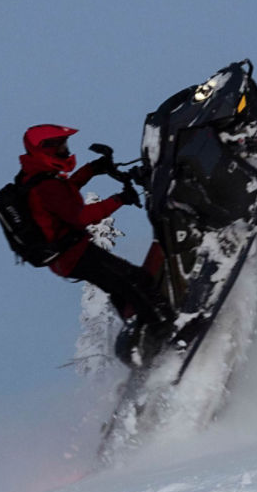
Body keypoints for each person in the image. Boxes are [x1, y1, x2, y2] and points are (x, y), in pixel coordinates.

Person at [18, 124, 174, 335]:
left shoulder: (38, 177)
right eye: (62, 147)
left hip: (68, 255)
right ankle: (169, 331)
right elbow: (79, 216)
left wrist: (92, 169)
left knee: (120, 286)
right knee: (136, 280)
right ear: (47, 149)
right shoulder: (46, 185)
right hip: (73, 255)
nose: (67, 151)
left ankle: (140, 339)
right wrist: (119, 200)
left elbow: (67, 193)